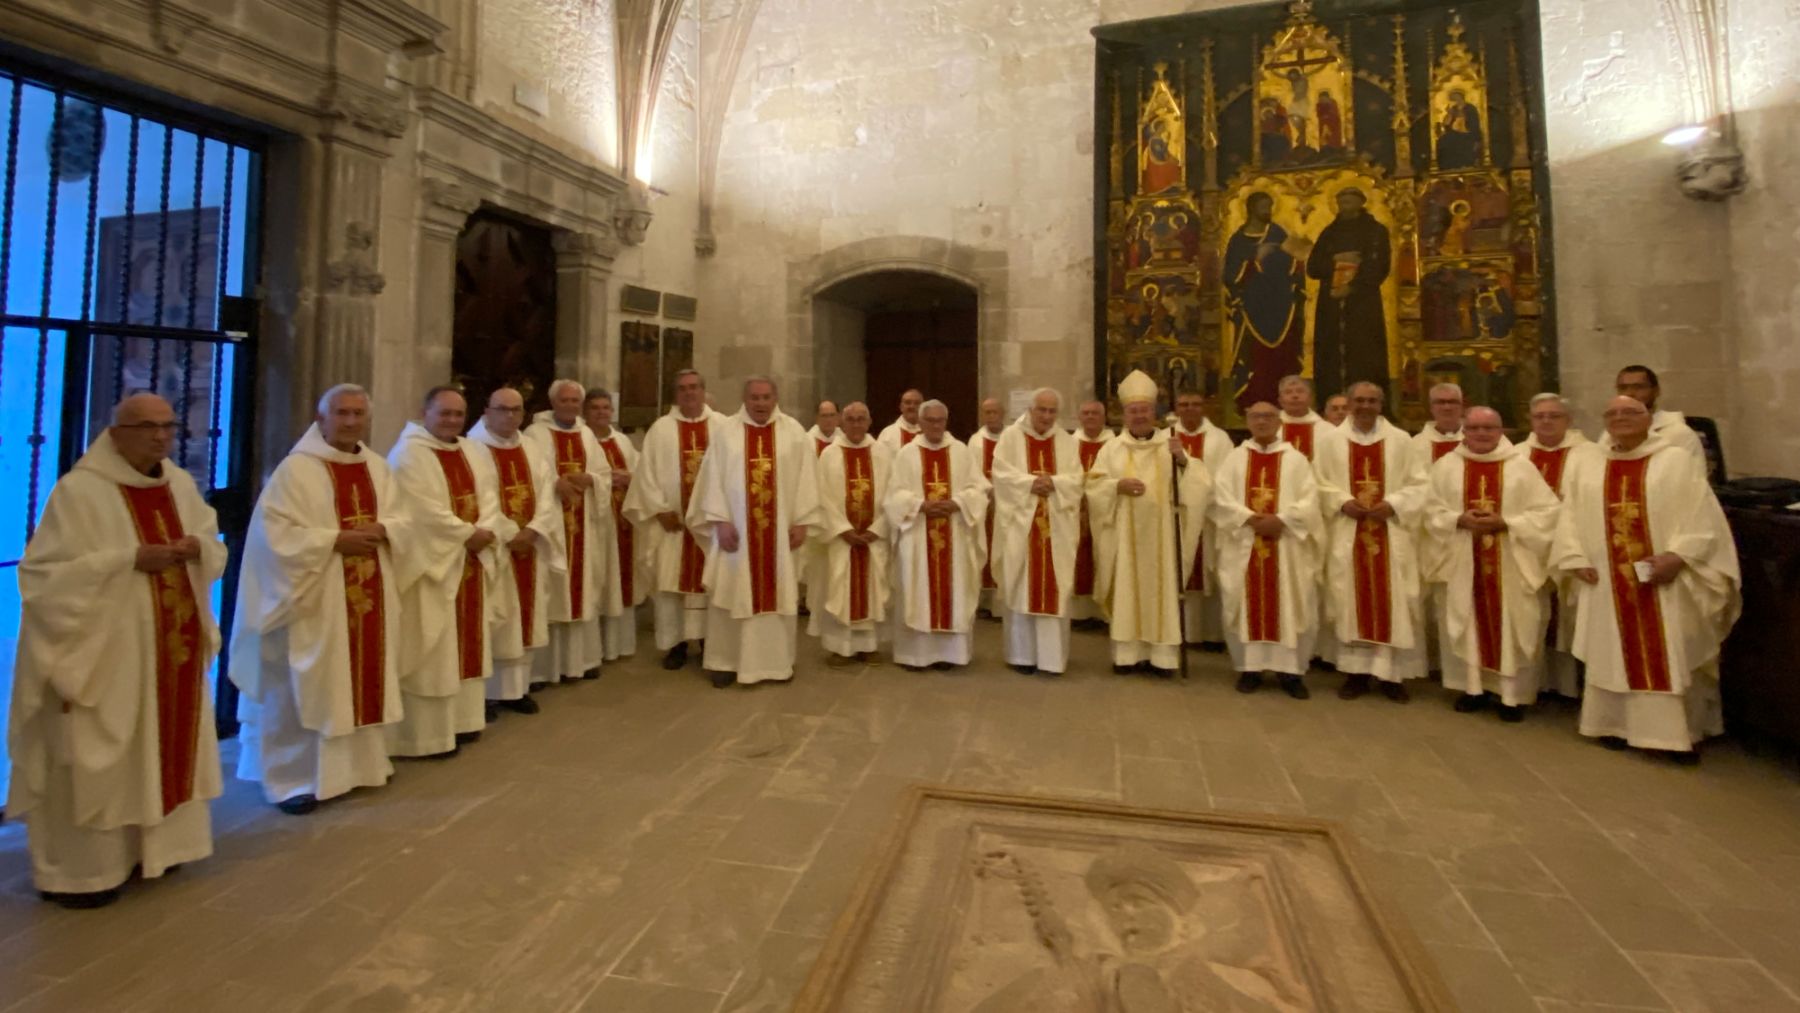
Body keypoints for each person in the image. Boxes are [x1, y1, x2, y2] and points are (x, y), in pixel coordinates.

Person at [8, 393, 227, 908]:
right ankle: (87, 873)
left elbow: (209, 536)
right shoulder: (81, 492)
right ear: (116, 431)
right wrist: (129, 559)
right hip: (107, 656)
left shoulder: (178, 483)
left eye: (167, 427)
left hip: (169, 649)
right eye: (146, 427)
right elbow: (42, 578)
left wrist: (199, 549)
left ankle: (160, 848)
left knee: (162, 742)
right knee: (98, 750)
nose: (159, 437)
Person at [231, 384, 410, 815]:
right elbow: (272, 539)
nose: (350, 421)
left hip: (367, 594)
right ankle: (292, 779)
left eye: (358, 414)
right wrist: (334, 541)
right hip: (312, 597)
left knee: (359, 677)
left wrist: (387, 530)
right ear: (322, 417)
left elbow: (404, 518)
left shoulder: (377, 468)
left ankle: (360, 767)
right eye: (342, 413)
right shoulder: (296, 471)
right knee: (303, 683)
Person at [1551, 396, 1740, 762]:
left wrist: (1679, 555)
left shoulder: (1675, 460)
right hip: (1605, 579)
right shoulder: (1587, 462)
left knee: (1669, 652)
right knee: (1610, 652)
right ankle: (1614, 725)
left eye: (1630, 412)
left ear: (1648, 419)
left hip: (1663, 579)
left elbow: (1703, 515)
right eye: (1612, 413)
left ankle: (1675, 736)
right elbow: (1569, 512)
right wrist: (1573, 557)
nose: (1620, 418)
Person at [384, 387, 505, 757]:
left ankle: (464, 721)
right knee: (433, 647)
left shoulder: (472, 450)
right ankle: (425, 738)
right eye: (445, 413)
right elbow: (422, 511)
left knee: (466, 643)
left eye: (458, 414)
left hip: (469, 559)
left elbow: (490, 496)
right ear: (425, 412)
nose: (453, 421)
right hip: (433, 567)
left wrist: (485, 529)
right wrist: (468, 534)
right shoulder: (408, 454)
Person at [1424, 407, 1561, 721]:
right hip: (1462, 559)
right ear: (1464, 431)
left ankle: (1511, 695)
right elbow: (1429, 510)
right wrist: (1457, 518)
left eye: (1489, 428)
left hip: (1511, 562)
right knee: (1466, 618)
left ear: (1502, 431)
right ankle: (1473, 689)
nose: (1481, 434)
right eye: (1474, 428)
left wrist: (1507, 522)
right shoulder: (1446, 466)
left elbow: (1548, 513)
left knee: (1512, 625)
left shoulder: (1522, 468)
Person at [685, 377, 819, 687]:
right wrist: (719, 521)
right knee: (732, 592)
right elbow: (712, 479)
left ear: (776, 397)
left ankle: (775, 665)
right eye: (754, 397)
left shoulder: (794, 433)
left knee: (776, 595)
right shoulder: (726, 433)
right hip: (737, 536)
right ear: (744, 399)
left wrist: (802, 521)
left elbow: (807, 479)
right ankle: (724, 662)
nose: (760, 403)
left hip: (780, 536)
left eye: (766, 397)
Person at [1087, 370, 1211, 677]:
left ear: (1153, 412)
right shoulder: (1111, 448)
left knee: (1162, 592)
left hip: (1163, 537)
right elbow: (1093, 485)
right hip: (1124, 536)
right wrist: (1117, 486)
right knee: (1127, 590)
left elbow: (1199, 486)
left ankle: (1162, 658)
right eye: (1133, 411)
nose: (1139, 415)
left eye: (1144, 410)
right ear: (1124, 414)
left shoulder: (1170, 445)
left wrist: (1182, 460)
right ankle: (1128, 656)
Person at [1316, 382, 1428, 702]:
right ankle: (1356, 673)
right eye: (1359, 400)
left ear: (1382, 404)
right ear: (1349, 403)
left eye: (1372, 400)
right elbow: (1317, 483)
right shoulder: (1330, 441)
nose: (1365, 406)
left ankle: (1392, 675)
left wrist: (1395, 503)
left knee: (1394, 599)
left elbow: (1421, 484)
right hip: (1348, 532)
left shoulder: (1401, 441)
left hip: (1390, 531)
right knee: (1349, 598)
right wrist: (1340, 501)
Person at [1210, 402, 1322, 698]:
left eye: (1268, 416)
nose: (1262, 421)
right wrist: (1249, 518)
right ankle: (1250, 669)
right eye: (1256, 416)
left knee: (1290, 603)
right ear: (1247, 420)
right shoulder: (1234, 459)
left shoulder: (1296, 460)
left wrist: (1281, 520)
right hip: (1246, 543)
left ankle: (1291, 673)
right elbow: (1219, 498)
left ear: (1279, 421)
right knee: (1244, 602)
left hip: (1286, 545)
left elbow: (1311, 501)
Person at [468, 386, 564, 716]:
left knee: (526, 614)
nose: (510, 416)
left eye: (516, 410)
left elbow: (549, 494)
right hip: (497, 548)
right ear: (487, 410)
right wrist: (511, 533)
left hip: (530, 546)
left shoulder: (532, 448)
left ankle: (517, 689)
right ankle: (488, 694)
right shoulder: (473, 448)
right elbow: (479, 501)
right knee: (498, 618)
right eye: (503, 409)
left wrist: (535, 530)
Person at [623, 368, 721, 670]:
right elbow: (646, 475)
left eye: (694, 387)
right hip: (672, 526)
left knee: (710, 586)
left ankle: (709, 643)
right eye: (682, 388)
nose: (689, 393)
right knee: (669, 586)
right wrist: (660, 510)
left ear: (703, 391)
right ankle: (675, 644)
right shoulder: (661, 429)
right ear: (675, 394)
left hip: (709, 528)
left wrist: (717, 513)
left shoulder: (722, 427)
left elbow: (731, 474)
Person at [886, 399, 989, 670]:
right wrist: (920, 505)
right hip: (918, 533)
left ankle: (950, 654)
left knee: (954, 590)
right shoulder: (906, 454)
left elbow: (980, 489)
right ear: (919, 423)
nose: (935, 425)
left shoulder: (961, 451)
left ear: (946, 421)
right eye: (929, 420)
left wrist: (958, 503)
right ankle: (915, 655)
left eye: (940, 420)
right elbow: (893, 495)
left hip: (954, 529)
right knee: (917, 589)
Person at [523, 379, 612, 684]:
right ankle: (545, 670)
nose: (570, 406)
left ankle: (581, 661)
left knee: (581, 588)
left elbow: (603, 475)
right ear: (553, 402)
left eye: (575, 401)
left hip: (582, 525)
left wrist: (590, 479)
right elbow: (529, 473)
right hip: (552, 527)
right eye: (565, 401)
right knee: (553, 592)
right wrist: (553, 483)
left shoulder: (586, 434)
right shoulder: (535, 433)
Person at [990, 389, 1085, 676]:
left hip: (1056, 529)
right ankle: (1021, 657)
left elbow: (1077, 479)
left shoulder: (1066, 442)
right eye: (1041, 410)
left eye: (1051, 411)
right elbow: (1000, 474)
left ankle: (1052, 660)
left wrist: (1054, 483)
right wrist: (1030, 483)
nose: (1045, 416)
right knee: (1021, 586)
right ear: (1030, 410)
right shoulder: (1010, 438)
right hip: (1021, 528)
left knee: (1053, 587)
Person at [809, 401, 893, 666]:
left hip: (873, 538)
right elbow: (821, 498)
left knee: (873, 588)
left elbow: (894, 493)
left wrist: (877, 528)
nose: (856, 424)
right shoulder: (830, 455)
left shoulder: (882, 453)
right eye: (851, 419)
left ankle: (869, 646)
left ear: (869, 422)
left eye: (861, 419)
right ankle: (839, 647)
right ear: (842, 423)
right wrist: (843, 529)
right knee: (839, 588)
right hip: (841, 540)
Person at [1522, 392, 1595, 697]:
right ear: (1531, 420)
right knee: (1533, 616)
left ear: (1569, 420)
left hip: (1573, 546)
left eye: (1554, 416)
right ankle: (1536, 683)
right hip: (1529, 548)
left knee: (1571, 616)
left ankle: (1569, 687)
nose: (1547, 422)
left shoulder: (1590, 454)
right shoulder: (1516, 454)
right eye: (1540, 416)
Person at [1224, 191, 1308, 410]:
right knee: (1254, 356)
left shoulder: (1277, 232)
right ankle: (1253, 400)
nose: (1268, 211)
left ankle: (1286, 402)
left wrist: (1275, 256)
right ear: (1251, 208)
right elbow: (1230, 275)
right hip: (1252, 305)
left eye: (1270, 206)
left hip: (1281, 304)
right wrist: (1253, 259)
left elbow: (1297, 262)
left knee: (1283, 355)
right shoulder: (1238, 239)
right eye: (1263, 206)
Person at [1306, 188, 1392, 397]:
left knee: (1364, 351)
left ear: (1361, 202)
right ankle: (1330, 400)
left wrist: (1353, 287)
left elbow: (1379, 266)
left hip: (1363, 303)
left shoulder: (1375, 231)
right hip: (1331, 302)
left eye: (1350, 201)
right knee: (1330, 351)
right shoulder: (1329, 233)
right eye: (1341, 201)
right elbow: (1313, 267)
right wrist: (1335, 260)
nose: (1345, 206)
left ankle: (1369, 402)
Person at [1169, 389, 1234, 646]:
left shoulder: (1220, 439)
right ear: (1176, 407)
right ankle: (1179, 632)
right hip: (1175, 516)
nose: (1189, 409)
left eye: (1195, 404)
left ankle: (1210, 634)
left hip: (1209, 517)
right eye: (1184, 404)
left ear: (1204, 407)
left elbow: (1227, 479)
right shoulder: (1165, 437)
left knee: (1210, 568)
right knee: (1176, 568)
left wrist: (1200, 496)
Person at [585, 388, 646, 661]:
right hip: (597, 524)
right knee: (599, 578)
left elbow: (643, 473)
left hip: (624, 523)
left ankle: (618, 645)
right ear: (586, 412)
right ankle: (594, 648)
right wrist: (609, 480)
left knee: (621, 579)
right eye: (595, 407)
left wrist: (630, 477)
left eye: (606, 408)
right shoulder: (583, 440)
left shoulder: (621, 441)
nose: (601, 412)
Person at [1070, 400, 1114, 625]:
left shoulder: (1114, 444)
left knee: (1104, 555)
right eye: (1086, 413)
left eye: (1095, 413)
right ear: (1079, 417)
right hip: (1075, 509)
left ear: (1104, 416)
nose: (1090, 417)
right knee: (1078, 556)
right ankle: (1078, 612)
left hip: (1106, 511)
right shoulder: (1069, 443)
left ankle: (1101, 610)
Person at [1610, 364, 1706, 461]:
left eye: (1638, 387)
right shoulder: (1611, 434)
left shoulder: (1679, 434)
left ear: (1656, 391)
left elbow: (1691, 474)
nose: (1630, 394)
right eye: (1623, 388)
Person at [972, 397, 1007, 617]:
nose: (991, 416)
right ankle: (985, 603)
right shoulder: (975, 442)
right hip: (984, 505)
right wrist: (987, 492)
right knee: (983, 549)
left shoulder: (1012, 438)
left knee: (1004, 551)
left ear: (1003, 414)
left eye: (995, 412)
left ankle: (1002, 603)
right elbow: (971, 474)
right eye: (987, 412)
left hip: (1007, 505)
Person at [1275, 374, 1343, 464]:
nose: (1295, 395)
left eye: (1300, 391)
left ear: (1311, 398)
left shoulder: (1327, 430)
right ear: (1280, 400)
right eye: (1288, 392)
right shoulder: (1271, 428)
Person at [1412, 382, 1466, 465]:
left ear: (1462, 406)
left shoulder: (1476, 440)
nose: (1447, 407)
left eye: (1452, 402)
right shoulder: (1416, 444)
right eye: (1440, 402)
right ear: (1431, 407)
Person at [1436, 88, 1484, 169]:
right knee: (1443, 141)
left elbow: (1473, 124)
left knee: (1462, 144)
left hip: (1468, 134)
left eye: (1456, 98)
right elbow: (1446, 124)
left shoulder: (1470, 108)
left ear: (1461, 97)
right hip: (1454, 134)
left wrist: (1456, 113)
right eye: (1452, 98)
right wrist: (1449, 114)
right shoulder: (1453, 108)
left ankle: (1466, 165)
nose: (1454, 100)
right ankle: (1449, 167)